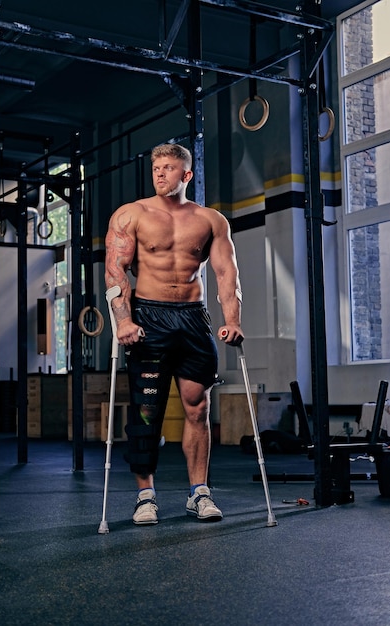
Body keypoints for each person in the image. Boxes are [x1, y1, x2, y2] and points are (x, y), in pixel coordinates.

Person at [104, 143, 244, 525]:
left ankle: (199, 492)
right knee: (146, 413)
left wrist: (232, 319)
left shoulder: (211, 220)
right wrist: (124, 321)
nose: (160, 173)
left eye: (168, 168)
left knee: (198, 408)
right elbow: (116, 273)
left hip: (194, 320)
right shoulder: (131, 215)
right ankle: (145, 496)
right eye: (156, 168)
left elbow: (226, 274)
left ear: (186, 175)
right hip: (149, 319)